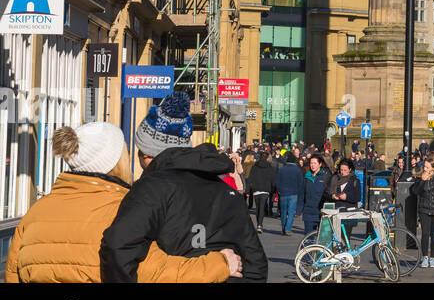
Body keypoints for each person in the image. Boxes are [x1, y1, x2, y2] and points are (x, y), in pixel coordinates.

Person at [6, 122, 240, 283]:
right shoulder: (127, 208)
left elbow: (13, 274)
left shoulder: (36, 212)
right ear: (115, 161)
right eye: (126, 153)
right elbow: (155, 274)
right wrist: (219, 264)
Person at [101, 92, 267, 282]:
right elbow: (256, 264)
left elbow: (118, 247)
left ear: (146, 153)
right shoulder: (226, 191)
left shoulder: (151, 189)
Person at [275, 149, 305, 235]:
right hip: (293, 193)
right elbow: (300, 183)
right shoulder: (297, 170)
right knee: (291, 211)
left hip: (283, 193)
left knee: (283, 211)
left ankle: (284, 227)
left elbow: (277, 181)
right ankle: (288, 228)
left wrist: (279, 190)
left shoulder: (282, 169)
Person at [246, 150, 275, 234]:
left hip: (256, 189)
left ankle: (259, 223)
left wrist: (248, 190)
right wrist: (273, 189)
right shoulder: (270, 167)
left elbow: (250, 179)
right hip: (266, 189)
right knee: (262, 207)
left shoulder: (255, 166)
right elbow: (273, 179)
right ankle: (259, 224)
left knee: (258, 208)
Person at [302, 154, 330, 236]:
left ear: (320, 164)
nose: (312, 165)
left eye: (314, 163)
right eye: (311, 163)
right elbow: (302, 193)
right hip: (308, 211)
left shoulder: (326, 176)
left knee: (323, 238)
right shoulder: (307, 176)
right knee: (308, 237)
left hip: (321, 211)